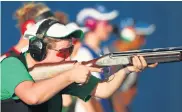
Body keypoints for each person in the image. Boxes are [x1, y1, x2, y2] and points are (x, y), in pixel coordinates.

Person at [1, 18, 157, 112]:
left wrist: (127, 69)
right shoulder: (11, 65)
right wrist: (69, 76)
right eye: (62, 52)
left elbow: (104, 90)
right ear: (38, 49)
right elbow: (32, 97)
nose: (67, 57)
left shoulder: (61, 74)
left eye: (70, 50)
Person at [111, 18, 156, 112]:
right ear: (129, 36)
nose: (144, 42)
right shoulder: (114, 60)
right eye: (141, 37)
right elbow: (113, 95)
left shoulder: (126, 58)